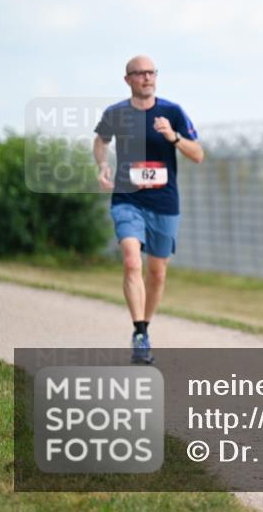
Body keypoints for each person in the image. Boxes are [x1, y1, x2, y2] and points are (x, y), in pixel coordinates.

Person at [93, 55, 204, 364]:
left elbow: (198, 154)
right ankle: (139, 331)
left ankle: (146, 325)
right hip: (128, 199)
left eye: (151, 72)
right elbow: (100, 142)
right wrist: (102, 165)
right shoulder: (116, 113)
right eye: (139, 73)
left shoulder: (172, 111)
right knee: (131, 261)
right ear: (127, 79)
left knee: (157, 272)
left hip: (165, 203)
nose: (146, 78)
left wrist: (174, 137)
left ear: (156, 76)